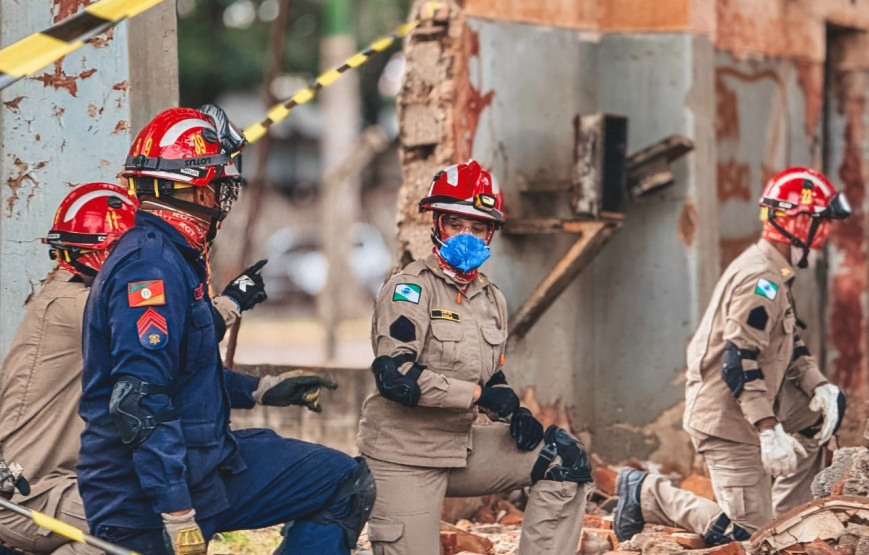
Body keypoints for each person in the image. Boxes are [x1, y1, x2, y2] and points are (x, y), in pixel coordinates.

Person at [78, 106, 372, 555]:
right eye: (217, 185)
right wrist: (176, 514)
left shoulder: (174, 257)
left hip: (205, 466)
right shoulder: (151, 269)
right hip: (143, 498)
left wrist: (263, 389)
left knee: (342, 479)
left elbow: (183, 369)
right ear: (195, 189)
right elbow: (138, 403)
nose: (222, 197)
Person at [0, 181, 268, 555]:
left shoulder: (64, 297)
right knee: (151, 522)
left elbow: (173, 374)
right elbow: (182, 332)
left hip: (45, 486)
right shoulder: (72, 307)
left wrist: (259, 390)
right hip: (34, 496)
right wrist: (232, 301)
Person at [358, 160, 593, 555]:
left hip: (461, 445)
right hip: (404, 456)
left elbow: (490, 377)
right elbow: (396, 378)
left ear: (491, 233)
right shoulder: (409, 290)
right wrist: (477, 397)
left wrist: (514, 412)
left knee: (564, 457)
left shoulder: (491, 298)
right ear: (436, 225)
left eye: (479, 227)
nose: (467, 235)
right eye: (456, 224)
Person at [615, 168, 853, 545]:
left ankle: (786, 517)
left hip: (756, 401)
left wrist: (820, 386)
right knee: (747, 540)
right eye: (820, 222)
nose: (825, 233)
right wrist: (769, 429)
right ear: (798, 221)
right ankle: (647, 493)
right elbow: (738, 362)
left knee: (818, 415)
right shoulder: (762, 281)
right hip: (726, 419)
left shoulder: (779, 271)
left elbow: (790, 345)